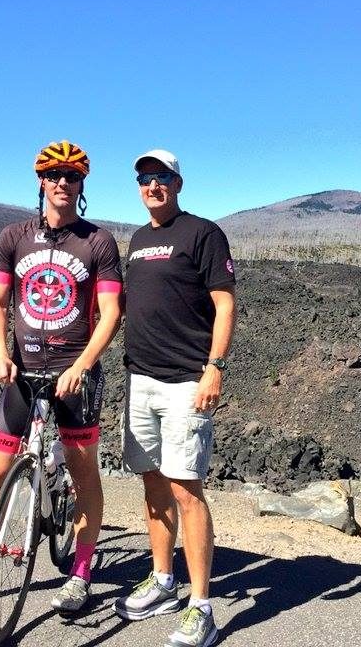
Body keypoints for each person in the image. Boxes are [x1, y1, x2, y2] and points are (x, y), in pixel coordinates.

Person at [0, 140, 122, 614]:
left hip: (76, 373)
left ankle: (79, 573)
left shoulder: (98, 242)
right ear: (40, 181)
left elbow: (112, 312)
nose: (62, 183)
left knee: (83, 473)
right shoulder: (14, 236)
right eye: (53, 175)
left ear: (82, 184)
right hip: (22, 370)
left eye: (71, 176)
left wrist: (83, 365)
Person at [116, 149, 236, 647]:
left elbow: (225, 302)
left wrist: (215, 367)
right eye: (144, 179)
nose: (152, 186)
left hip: (187, 381)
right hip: (140, 380)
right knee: (153, 484)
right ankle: (164, 579)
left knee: (187, 489)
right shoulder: (139, 240)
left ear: (178, 182)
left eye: (160, 177)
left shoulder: (203, 234)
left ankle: (201, 605)